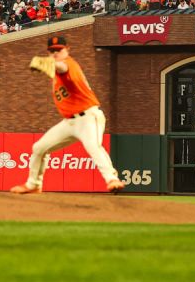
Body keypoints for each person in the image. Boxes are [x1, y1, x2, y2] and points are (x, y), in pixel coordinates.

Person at [10, 36, 126, 194]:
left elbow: (62, 67)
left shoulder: (70, 65)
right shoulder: (55, 74)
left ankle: (112, 179)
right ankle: (33, 184)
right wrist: (51, 64)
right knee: (39, 148)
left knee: (93, 146)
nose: (56, 53)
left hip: (88, 117)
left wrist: (51, 63)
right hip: (69, 122)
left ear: (67, 50)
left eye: (59, 49)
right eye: (52, 51)